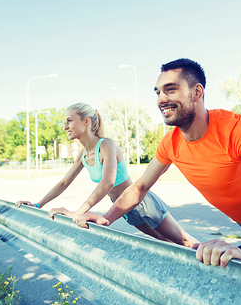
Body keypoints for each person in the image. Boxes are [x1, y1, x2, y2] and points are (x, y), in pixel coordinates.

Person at [77, 59, 241, 286]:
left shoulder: (236, 129)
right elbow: (139, 188)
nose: (161, 99)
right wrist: (106, 218)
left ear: (197, 91)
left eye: (170, 90)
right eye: (157, 92)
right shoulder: (170, 143)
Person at [16, 102, 198, 248]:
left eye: (69, 121)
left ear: (86, 121)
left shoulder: (106, 146)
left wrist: (77, 213)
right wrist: (38, 204)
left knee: (184, 242)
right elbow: (64, 183)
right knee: (163, 243)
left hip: (140, 202)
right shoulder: (82, 154)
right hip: (123, 208)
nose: (65, 126)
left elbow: (107, 183)